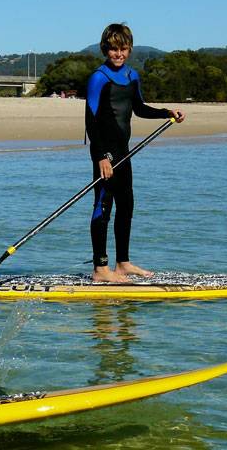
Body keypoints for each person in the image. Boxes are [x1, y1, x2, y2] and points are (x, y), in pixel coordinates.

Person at [84, 23, 184, 283]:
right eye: (113, 49)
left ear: (129, 49)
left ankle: (123, 263)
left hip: (124, 152)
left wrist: (167, 113)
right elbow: (91, 122)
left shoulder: (132, 76)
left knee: (126, 205)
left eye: (123, 49)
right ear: (105, 49)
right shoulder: (99, 78)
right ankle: (100, 269)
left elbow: (139, 108)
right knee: (102, 207)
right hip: (105, 153)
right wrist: (101, 157)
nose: (118, 54)